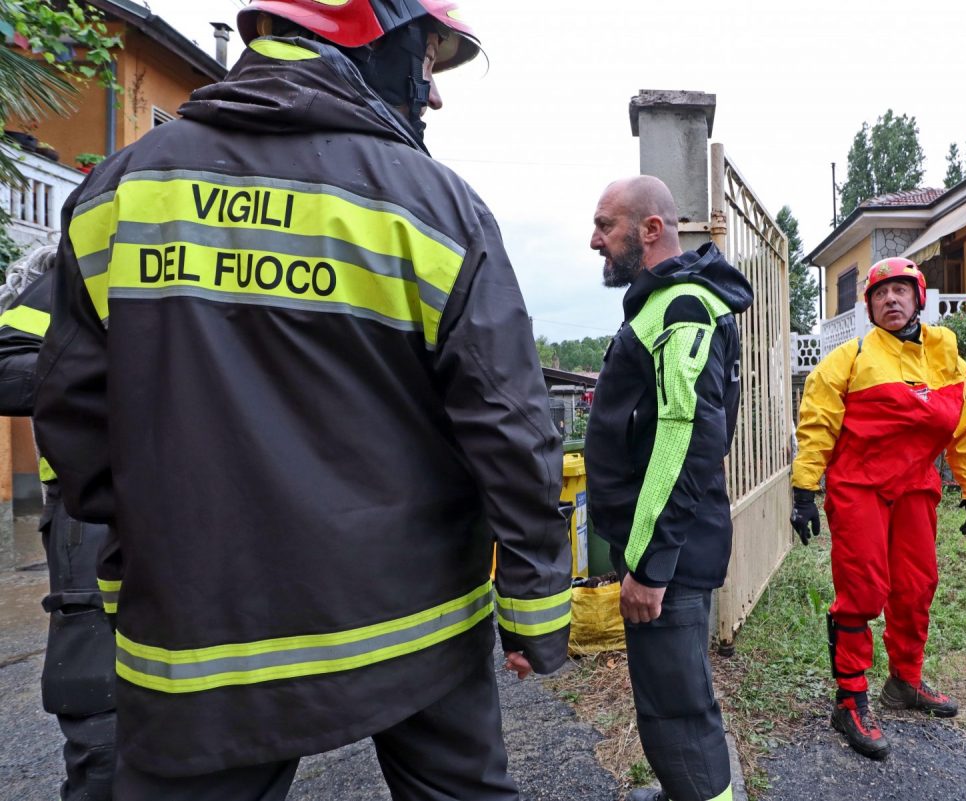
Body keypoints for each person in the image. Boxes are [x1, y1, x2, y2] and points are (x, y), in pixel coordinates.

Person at [33, 1, 571, 798]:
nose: (433, 91)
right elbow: (510, 422)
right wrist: (534, 608)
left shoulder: (121, 192)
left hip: (201, 640)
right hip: (414, 628)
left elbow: (75, 416)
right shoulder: (433, 206)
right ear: (371, 35)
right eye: (429, 58)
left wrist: (141, 568)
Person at [585, 176, 753, 801]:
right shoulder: (664, 304)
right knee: (668, 699)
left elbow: (686, 439)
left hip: (668, 557)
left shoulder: (682, 308)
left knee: (676, 711)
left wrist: (652, 565)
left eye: (605, 225)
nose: (594, 240)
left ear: (650, 229)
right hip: (665, 547)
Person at [790, 256, 966, 761]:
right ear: (870, 307)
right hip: (859, 487)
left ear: (918, 297)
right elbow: (817, 424)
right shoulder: (851, 358)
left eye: (900, 290)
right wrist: (804, 490)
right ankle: (849, 699)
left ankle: (905, 681)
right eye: (880, 294)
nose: (890, 299)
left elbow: (964, 431)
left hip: (916, 488)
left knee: (917, 586)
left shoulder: (950, 359)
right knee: (862, 591)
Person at [0, 247, 115, 801]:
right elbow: (6, 364)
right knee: (103, 707)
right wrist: (130, 374)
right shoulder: (75, 273)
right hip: (93, 507)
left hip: (201, 505)